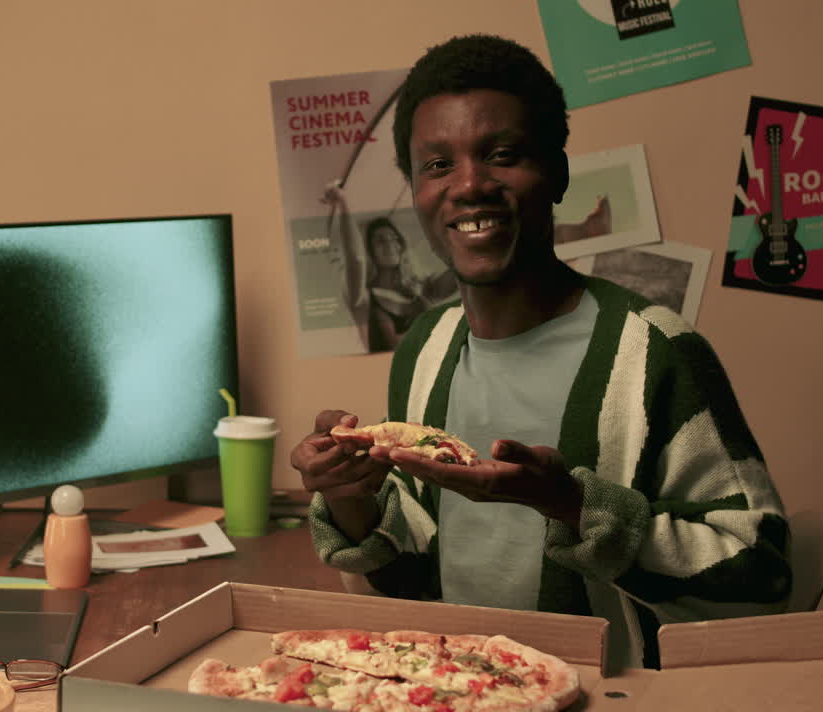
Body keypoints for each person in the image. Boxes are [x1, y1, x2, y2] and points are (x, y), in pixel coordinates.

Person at [290, 34, 791, 670]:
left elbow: (762, 576)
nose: (470, 185)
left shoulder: (655, 350)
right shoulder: (424, 348)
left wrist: (571, 504)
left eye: (502, 155)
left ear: (557, 172)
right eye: (437, 165)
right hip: (455, 690)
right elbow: (415, 576)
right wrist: (348, 495)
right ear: (414, 190)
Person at [322, 183, 458, 353]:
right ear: (369, 251)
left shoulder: (420, 288)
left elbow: (460, 270)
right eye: (380, 241)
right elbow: (356, 259)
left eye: (394, 239)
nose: (390, 244)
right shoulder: (362, 298)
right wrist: (343, 203)